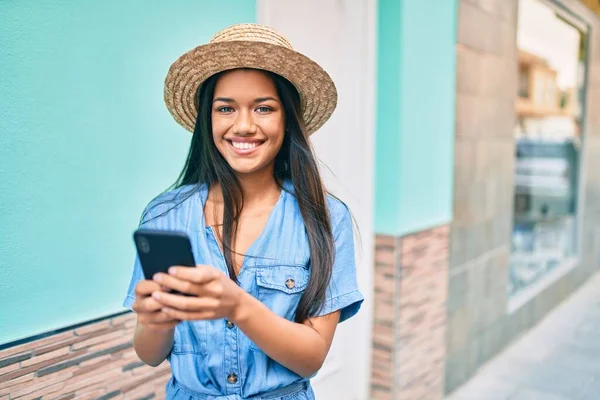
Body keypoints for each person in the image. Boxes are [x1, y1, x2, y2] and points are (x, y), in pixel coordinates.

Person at [123, 23, 363, 400]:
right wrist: (156, 321)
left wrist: (236, 305)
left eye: (264, 108)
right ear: (209, 119)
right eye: (226, 108)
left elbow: (311, 358)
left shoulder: (326, 218)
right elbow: (149, 355)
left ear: (287, 119)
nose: (244, 125)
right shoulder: (163, 215)